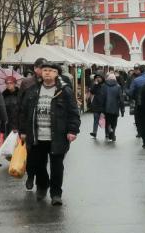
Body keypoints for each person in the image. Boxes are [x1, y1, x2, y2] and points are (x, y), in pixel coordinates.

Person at [19, 62, 80, 206]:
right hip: (36, 135)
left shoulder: (64, 91)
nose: (47, 73)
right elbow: (24, 111)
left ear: (57, 73)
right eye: (45, 70)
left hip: (57, 135)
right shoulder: (33, 90)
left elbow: (73, 112)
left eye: (51, 71)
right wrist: (22, 131)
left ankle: (56, 194)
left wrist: (72, 130)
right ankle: (42, 185)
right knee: (38, 165)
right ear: (40, 72)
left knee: (57, 166)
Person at [18, 58, 47, 191]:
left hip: (43, 126)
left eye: (46, 68)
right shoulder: (27, 83)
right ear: (35, 68)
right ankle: (30, 176)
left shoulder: (49, 83)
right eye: (41, 68)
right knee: (30, 154)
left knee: (42, 157)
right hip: (30, 126)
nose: (43, 71)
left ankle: (41, 181)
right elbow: (21, 107)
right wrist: (21, 129)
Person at [128, 65, 145, 147]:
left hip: (139, 104)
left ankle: (144, 141)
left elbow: (130, 92)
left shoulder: (136, 80)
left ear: (140, 71)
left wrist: (134, 97)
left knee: (141, 122)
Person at [101, 73, 124, 142]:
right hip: (115, 108)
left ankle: (109, 131)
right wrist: (122, 110)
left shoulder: (104, 86)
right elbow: (121, 99)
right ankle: (113, 131)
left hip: (106, 108)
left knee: (108, 122)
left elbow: (102, 98)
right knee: (114, 122)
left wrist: (101, 109)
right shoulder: (118, 86)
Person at [88, 74, 105, 139]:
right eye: (97, 77)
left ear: (102, 78)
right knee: (95, 119)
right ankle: (94, 132)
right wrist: (95, 84)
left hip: (103, 105)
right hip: (96, 105)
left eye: (99, 77)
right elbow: (92, 91)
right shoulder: (95, 85)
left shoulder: (105, 85)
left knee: (105, 120)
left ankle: (108, 133)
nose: (98, 79)